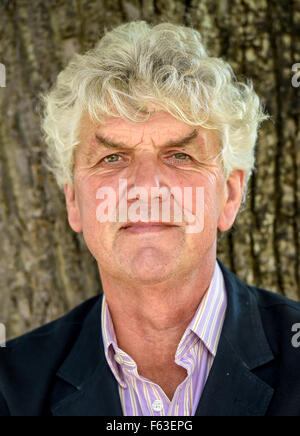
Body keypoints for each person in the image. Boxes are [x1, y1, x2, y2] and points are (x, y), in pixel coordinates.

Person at [0, 21, 299, 417]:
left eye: (180, 155)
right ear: (74, 201)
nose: (145, 187)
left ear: (229, 194)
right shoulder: (11, 386)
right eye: (112, 158)